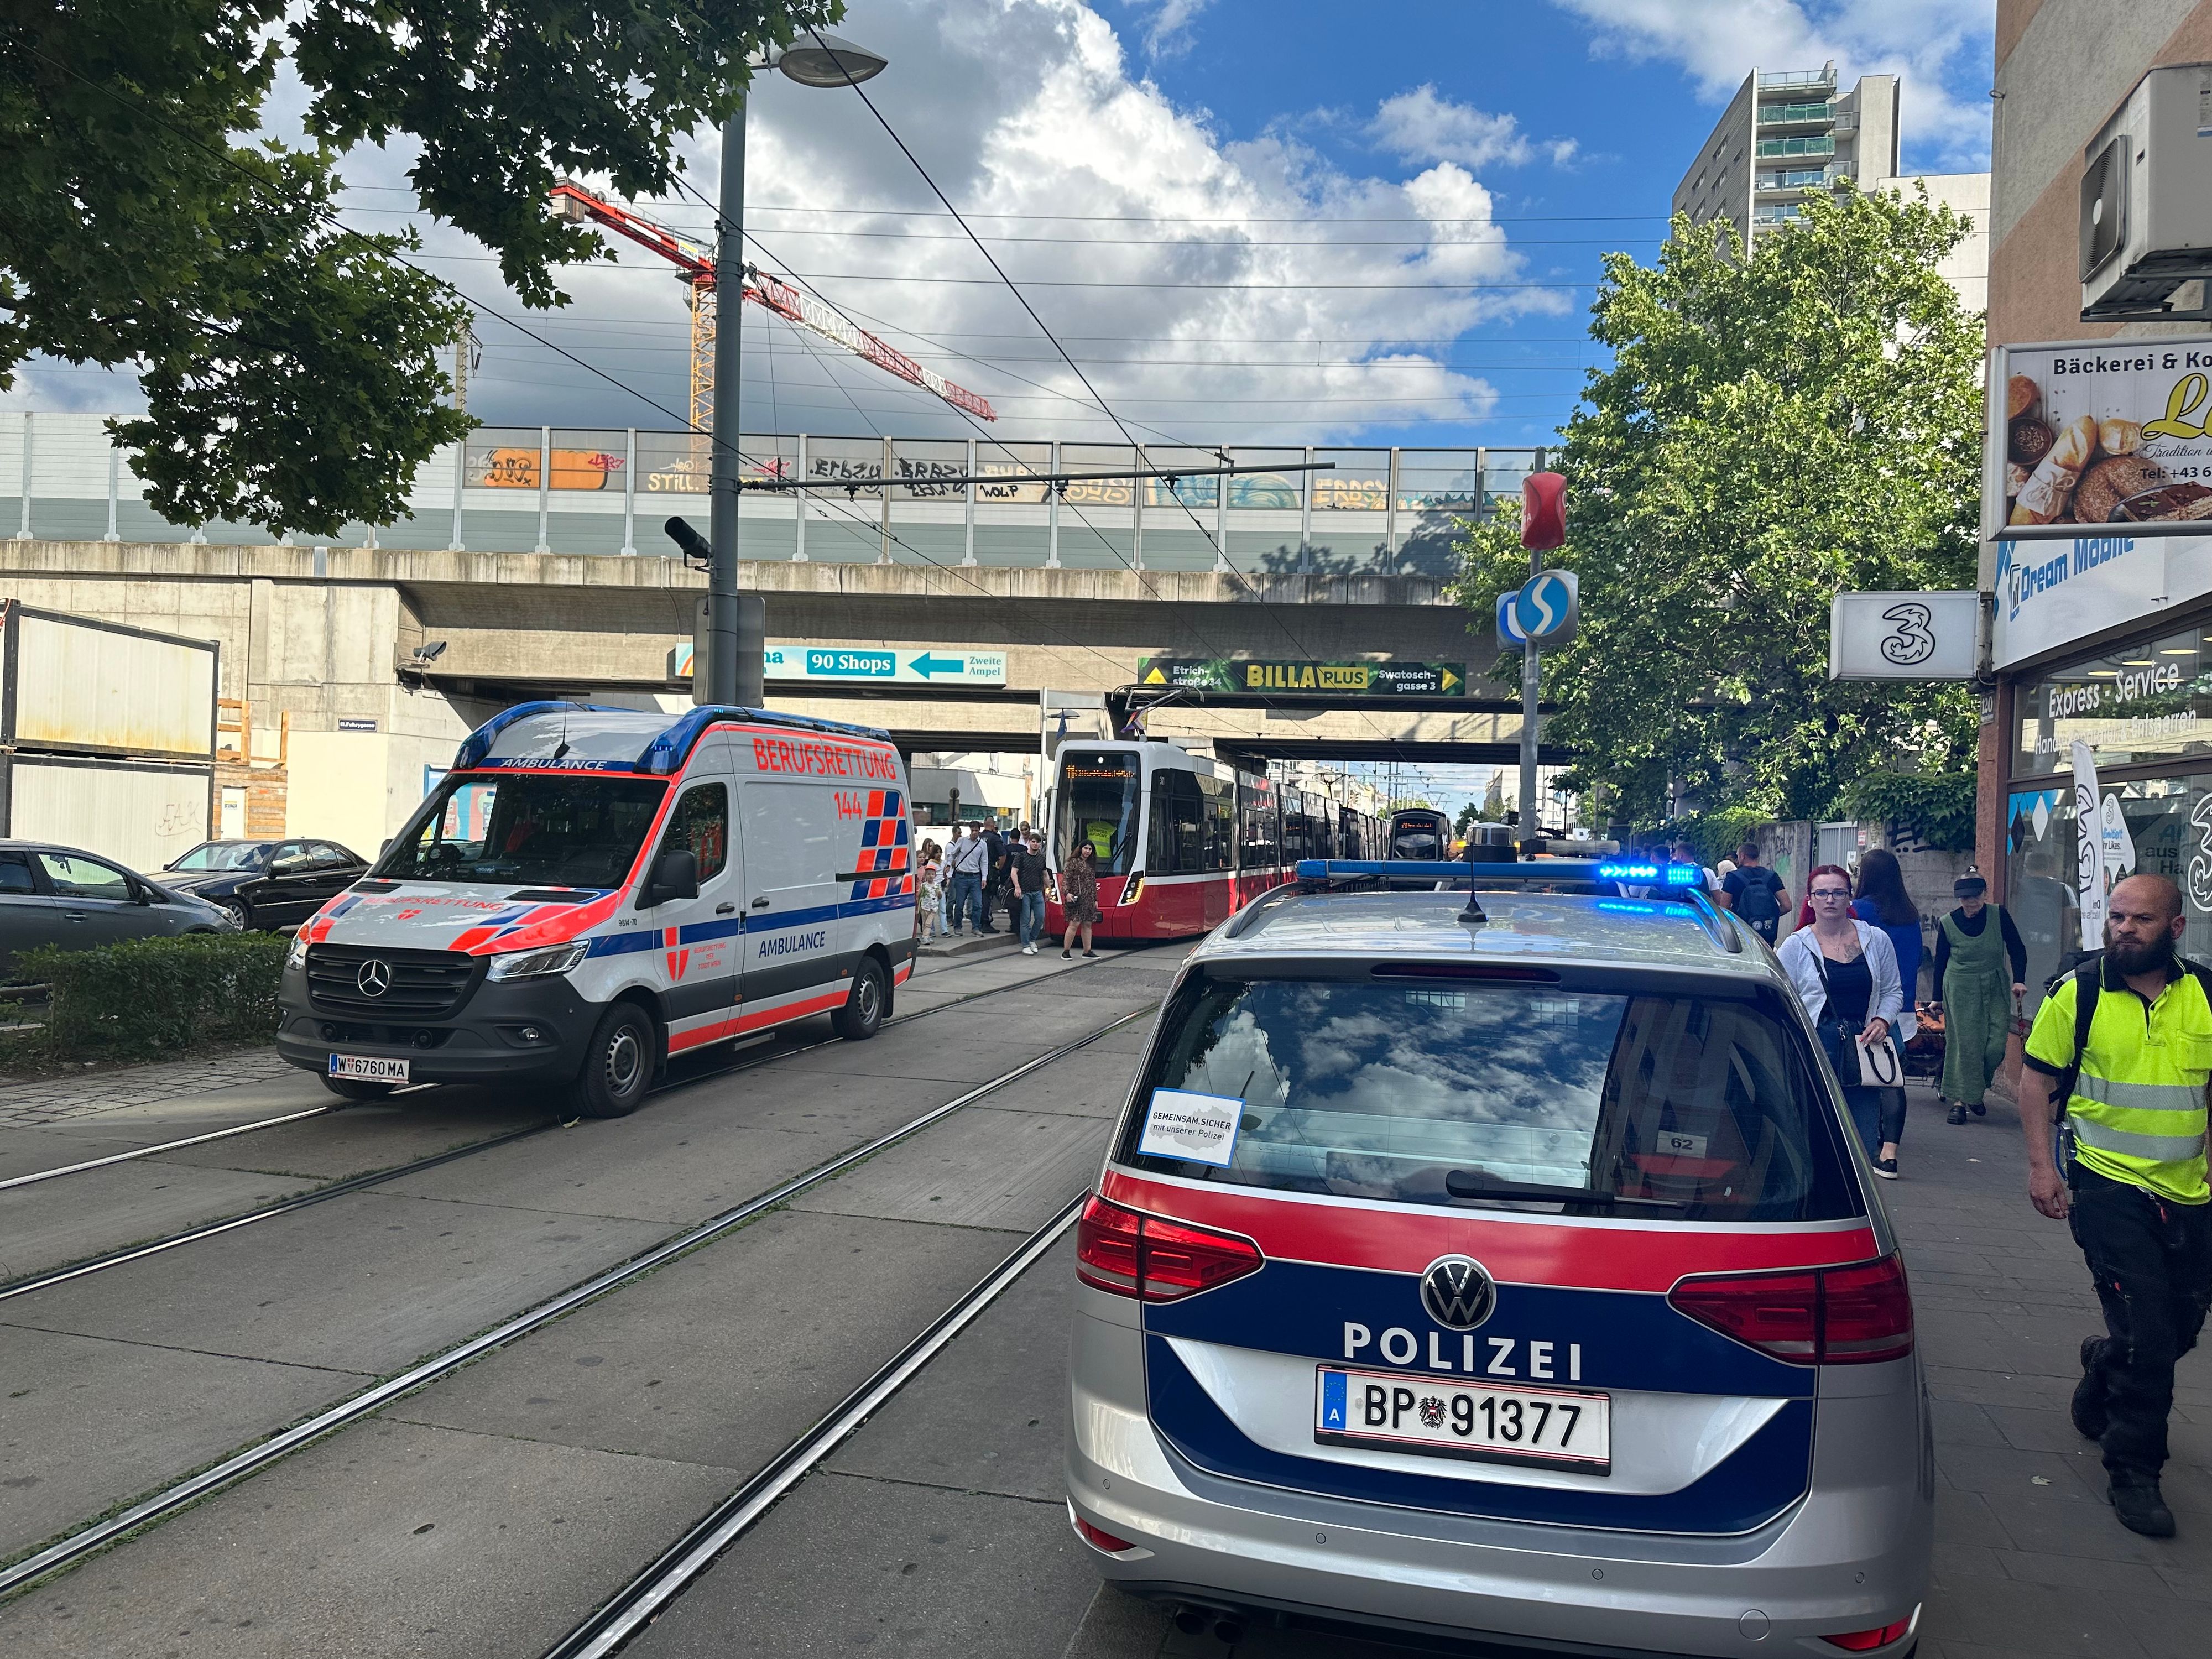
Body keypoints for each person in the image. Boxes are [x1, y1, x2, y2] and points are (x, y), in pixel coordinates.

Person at [2017, 873, 2212, 1540]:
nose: (2123, 928)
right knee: (2152, 1339)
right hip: (2105, 1187)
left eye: (2141, 920)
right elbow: (2035, 1082)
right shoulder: (2079, 992)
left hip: (2189, 1192)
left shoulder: (2205, 997)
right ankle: (2134, 1471)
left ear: (2175, 929)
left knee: (2178, 1328)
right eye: (2117, 917)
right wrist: (2043, 1169)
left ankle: (2105, 1364)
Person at [1779, 863, 1905, 1171]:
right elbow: (1782, 998)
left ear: (1850, 898)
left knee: (1860, 1134)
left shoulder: (1876, 940)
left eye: (1838, 892)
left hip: (1864, 1047)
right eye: (1821, 893)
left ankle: (1855, 1196)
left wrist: (1882, 1021)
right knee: (1814, 1128)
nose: (1830, 899)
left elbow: (1893, 991)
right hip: (1816, 1045)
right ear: (1810, 900)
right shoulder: (1796, 946)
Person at [1933, 873, 2028, 1126]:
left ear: (1985, 895)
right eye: (1965, 898)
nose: (1970, 902)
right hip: (1960, 986)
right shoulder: (1948, 923)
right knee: (1966, 1046)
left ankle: (1974, 1089)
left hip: (1994, 983)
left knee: (1996, 1043)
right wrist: (1936, 999)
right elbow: (1940, 961)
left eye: (1975, 896)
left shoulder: (1999, 915)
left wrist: (2020, 979)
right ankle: (1960, 1102)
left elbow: (2017, 947)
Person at [1849, 849, 1921, 1175]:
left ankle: (1868, 1141)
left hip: (1872, 1006)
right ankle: (1890, 1150)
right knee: (1892, 1077)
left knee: (1869, 1076)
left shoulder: (1861, 910)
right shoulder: (1910, 913)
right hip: (1903, 1005)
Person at [1722, 842, 1789, 943]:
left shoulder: (1733, 877)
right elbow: (1787, 906)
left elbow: (1724, 909)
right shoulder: (1772, 876)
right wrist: (1769, 915)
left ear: (1742, 856)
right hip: (1766, 935)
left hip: (1742, 934)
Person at [1061, 841, 1101, 959]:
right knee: (1074, 924)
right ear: (1081, 849)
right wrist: (1066, 893)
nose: (1087, 851)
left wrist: (1095, 899)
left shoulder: (1091, 863)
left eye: (1090, 849)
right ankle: (1066, 951)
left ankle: (1087, 951)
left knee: (1088, 924)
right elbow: (1066, 878)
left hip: (1088, 899)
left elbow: (1093, 884)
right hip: (1076, 898)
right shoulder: (1073, 862)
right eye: (1086, 848)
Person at [946, 823, 987, 937]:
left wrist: (984, 878)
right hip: (961, 876)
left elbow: (984, 862)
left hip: (975, 876)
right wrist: (949, 864)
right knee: (959, 904)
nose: (974, 833)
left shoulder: (982, 844)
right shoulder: (962, 841)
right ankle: (958, 926)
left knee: (978, 904)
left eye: (977, 830)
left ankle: (976, 927)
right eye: (973, 830)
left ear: (979, 831)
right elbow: (953, 854)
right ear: (970, 830)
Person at [1011, 832, 1048, 954]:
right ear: (1029, 843)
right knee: (1025, 920)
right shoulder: (1021, 857)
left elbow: (1045, 874)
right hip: (1024, 893)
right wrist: (1017, 887)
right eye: (1033, 841)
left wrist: (1048, 889)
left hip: (1037, 892)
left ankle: (1032, 940)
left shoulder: (1041, 858)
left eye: (1038, 842)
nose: (1036, 844)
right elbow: (1014, 872)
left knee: (1040, 917)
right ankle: (1026, 945)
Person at [978, 821, 1007, 935]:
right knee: (987, 898)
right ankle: (986, 922)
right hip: (990, 871)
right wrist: (999, 869)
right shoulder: (995, 838)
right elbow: (1003, 854)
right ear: (992, 824)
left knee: (979, 898)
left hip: (978, 871)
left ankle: (979, 923)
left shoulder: (979, 837)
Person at [915, 839, 944, 943]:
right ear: (926, 876)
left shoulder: (937, 886)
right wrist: (918, 906)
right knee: (925, 923)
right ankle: (926, 936)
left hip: (933, 908)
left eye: (932, 874)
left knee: (928, 923)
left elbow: (940, 896)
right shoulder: (924, 886)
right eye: (929, 874)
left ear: (935, 875)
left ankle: (926, 937)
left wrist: (939, 894)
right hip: (925, 907)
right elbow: (919, 895)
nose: (931, 876)